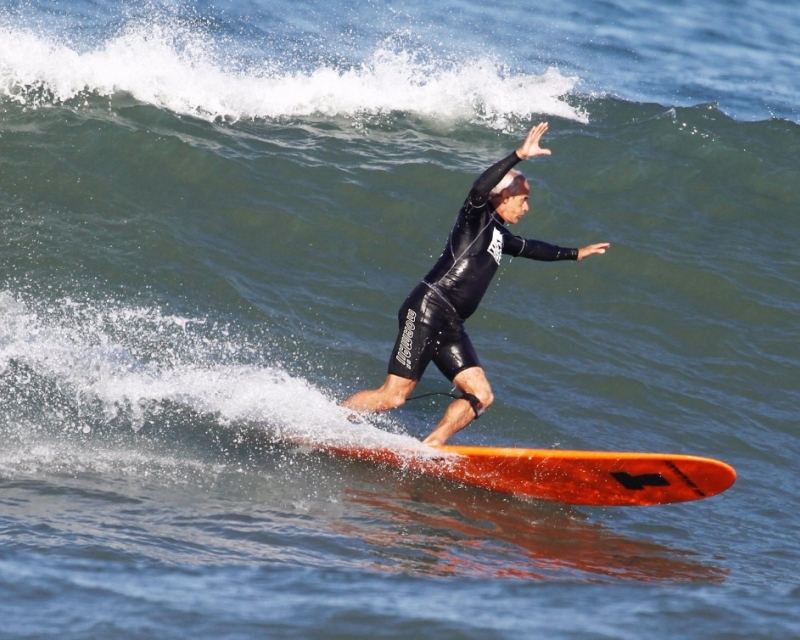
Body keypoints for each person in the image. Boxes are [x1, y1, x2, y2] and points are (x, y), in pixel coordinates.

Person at [342, 122, 609, 445]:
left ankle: (432, 445)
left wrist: (575, 254)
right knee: (393, 397)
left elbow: (534, 248)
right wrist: (518, 156)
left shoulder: (499, 235)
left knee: (481, 395)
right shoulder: (475, 219)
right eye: (522, 199)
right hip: (427, 309)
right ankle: (330, 423)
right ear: (504, 196)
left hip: (452, 324)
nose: (527, 207)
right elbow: (480, 188)